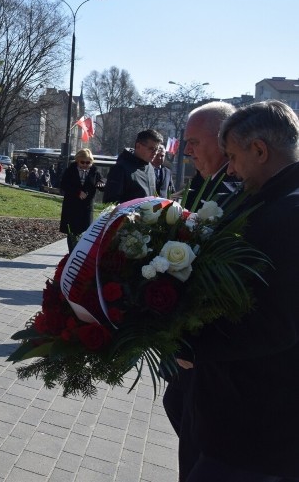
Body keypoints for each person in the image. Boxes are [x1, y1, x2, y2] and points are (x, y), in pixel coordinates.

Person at [185, 100, 299, 481]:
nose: (229, 168)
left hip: (256, 433)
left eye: (233, 156)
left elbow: (276, 323)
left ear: (260, 150)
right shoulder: (272, 202)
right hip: (248, 426)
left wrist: (193, 345)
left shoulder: (288, 214)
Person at [163, 101, 236, 482]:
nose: (186, 150)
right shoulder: (205, 184)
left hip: (211, 356)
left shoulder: (236, 192)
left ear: (225, 141)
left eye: (193, 141)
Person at [59, 149, 105, 252]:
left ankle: (80, 254)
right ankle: (72, 254)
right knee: (72, 233)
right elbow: (64, 185)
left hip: (86, 207)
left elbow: (101, 182)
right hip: (72, 206)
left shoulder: (94, 171)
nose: (85, 164)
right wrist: (77, 192)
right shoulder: (71, 170)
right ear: (77, 160)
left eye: (88, 162)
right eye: (82, 162)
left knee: (86, 232)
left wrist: (101, 184)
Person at [102, 128, 163, 203]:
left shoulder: (150, 167)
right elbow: (110, 202)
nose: (155, 153)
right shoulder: (120, 168)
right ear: (138, 146)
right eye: (151, 149)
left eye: (157, 149)